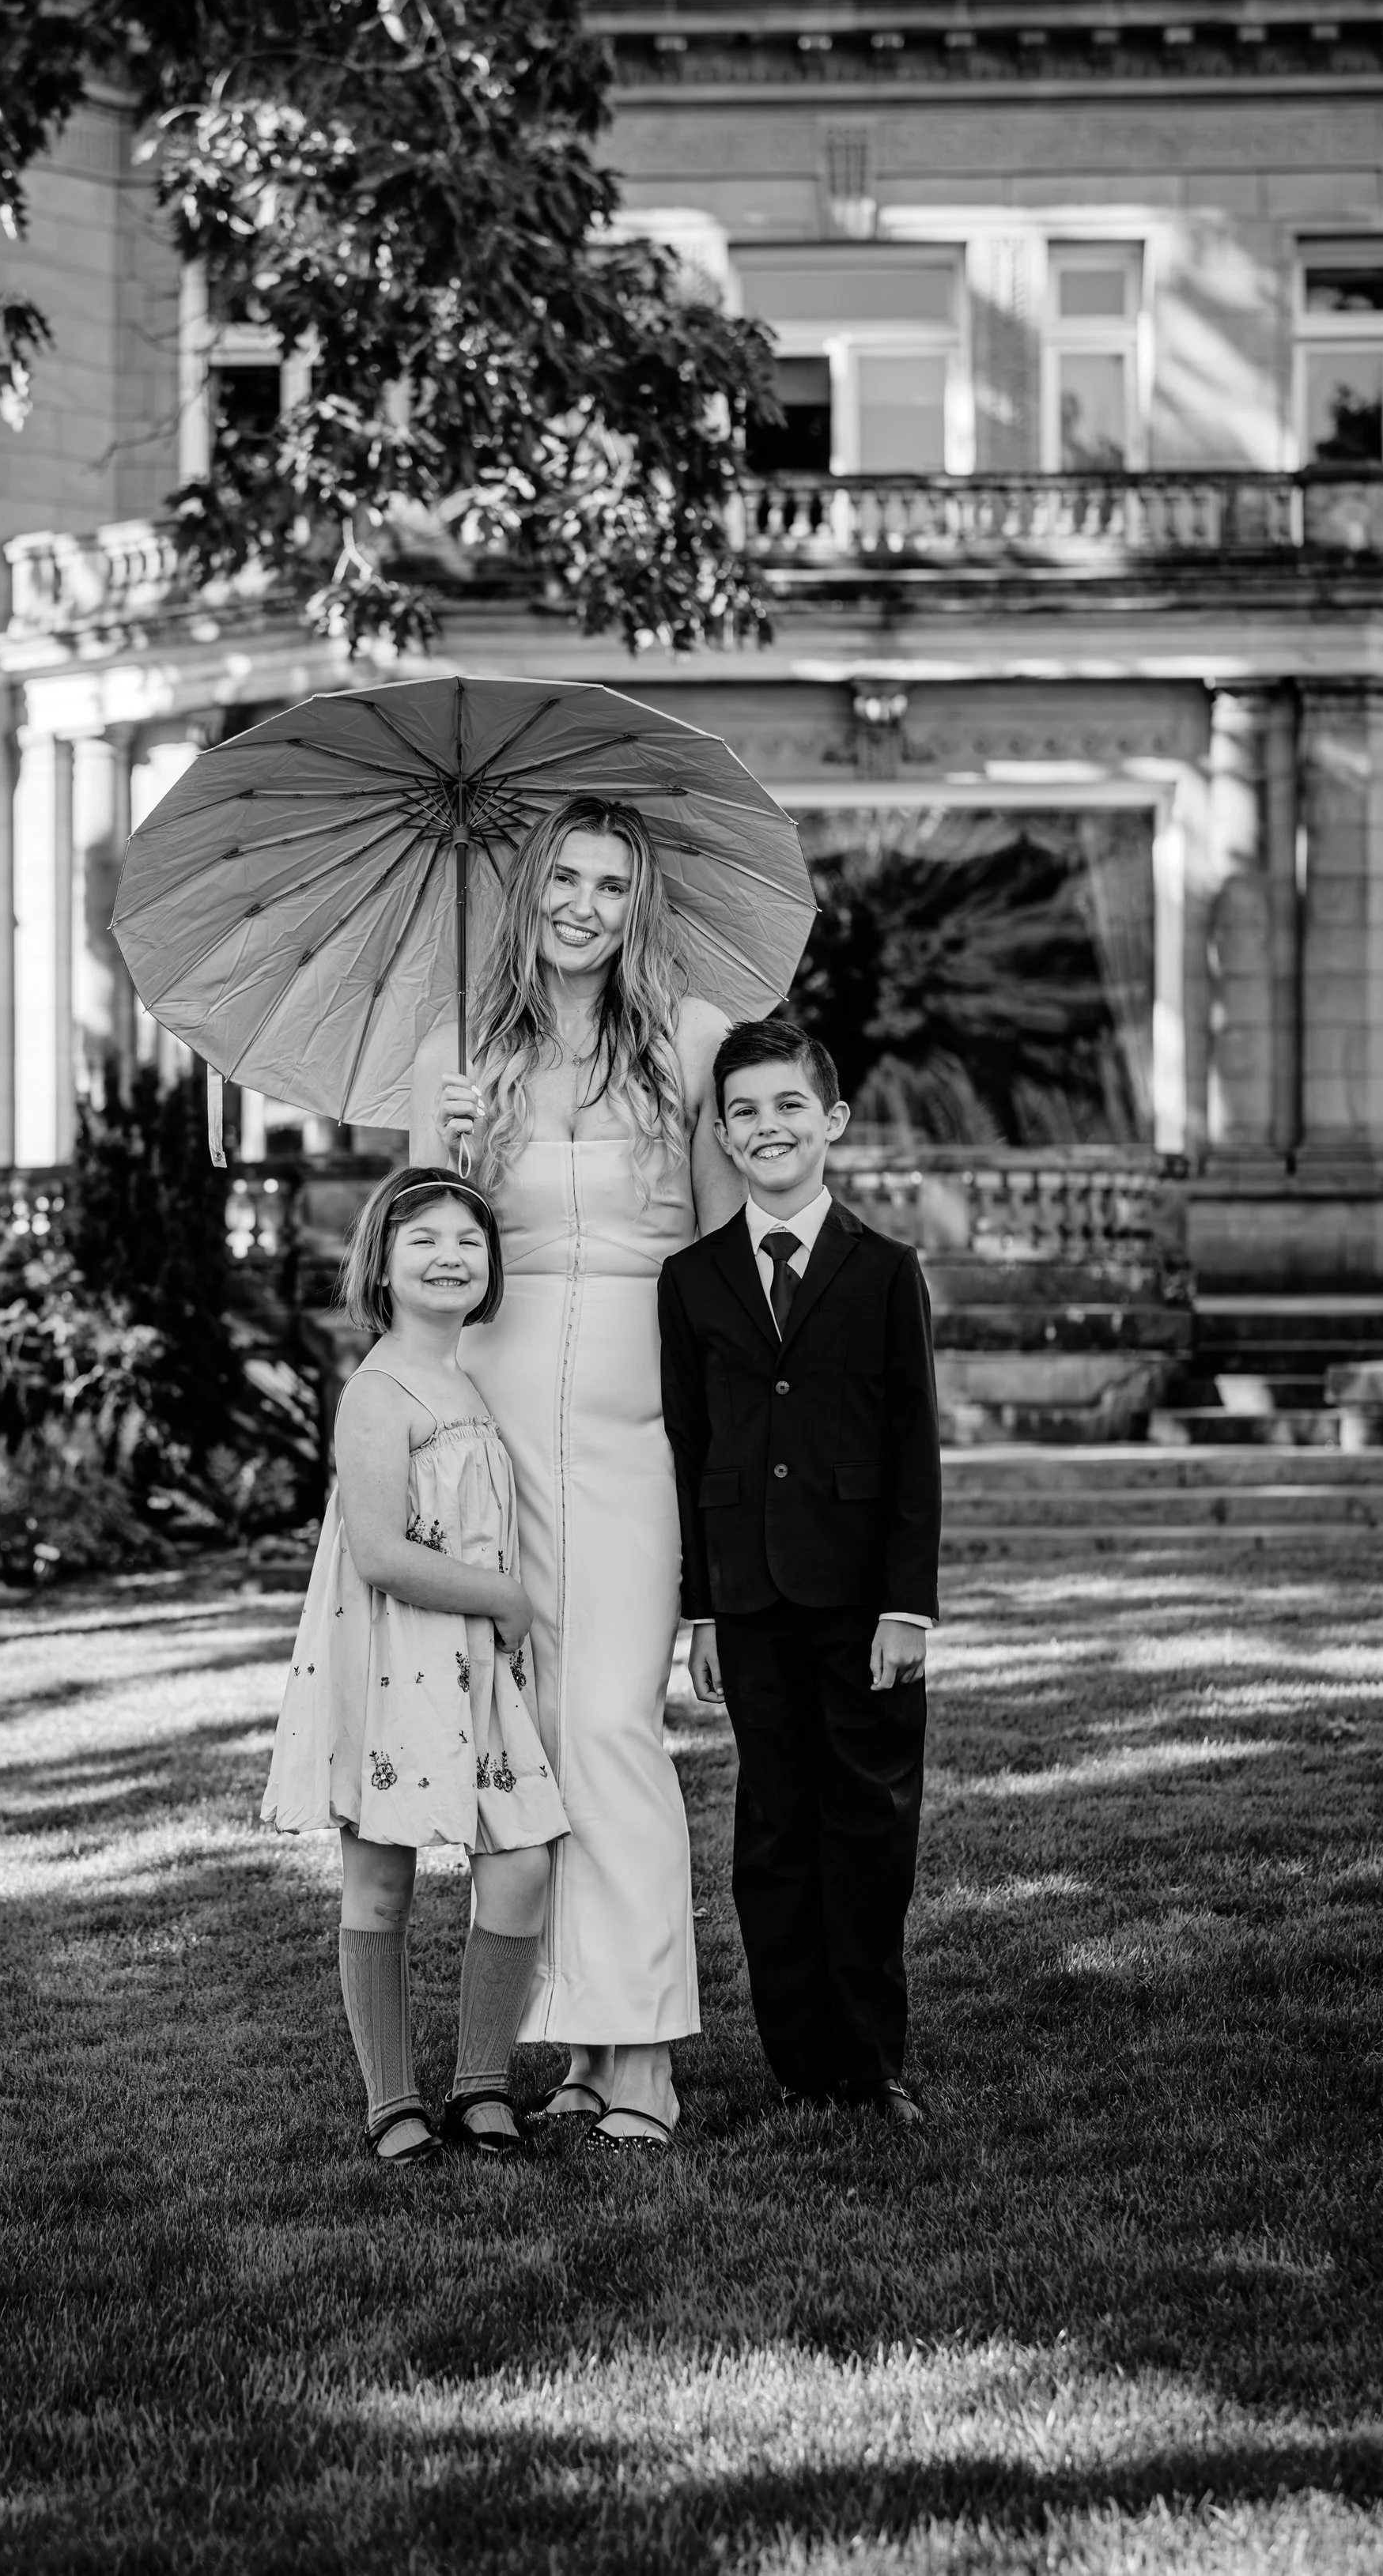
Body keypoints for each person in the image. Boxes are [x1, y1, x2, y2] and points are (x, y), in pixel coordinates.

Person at [410, 795, 741, 2147]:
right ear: (528, 891)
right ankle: (579, 2049)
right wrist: (453, 1151)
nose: (585, 907)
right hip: (495, 1421)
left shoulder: (693, 1042)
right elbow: (426, 1268)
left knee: (611, 1721)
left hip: (635, 1424)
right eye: (564, 879)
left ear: (638, 905)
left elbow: (720, 1265)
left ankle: (648, 2050)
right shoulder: (459, 1054)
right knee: (533, 1742)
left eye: (612, 886)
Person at [658, 1013, 941, 2126]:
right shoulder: (691, 1280)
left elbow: (914, 1446)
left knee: (867, 1826)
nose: (766, 1126)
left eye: (788, 1106)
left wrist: (907, 1605)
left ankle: (870, 2064)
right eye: (744, 1111)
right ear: (721, 1137)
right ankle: (799, 2064)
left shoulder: (884, 1271)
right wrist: (703, 1612)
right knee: (773, 1830)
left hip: (864, 1602)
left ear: (830, 1120)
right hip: (751, 1598)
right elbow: (691, 1447)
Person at [262, 1165, 569, 2165]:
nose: (448, 1257)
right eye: (423, 1240)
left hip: (474, 1671)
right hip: (396, 1657)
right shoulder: (378, 1392)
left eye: (468, 1241)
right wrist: (504, 1598)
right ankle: (392, 2099)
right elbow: (383, 1553)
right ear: (382, 1267)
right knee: (383, 1880)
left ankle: (481, 2084)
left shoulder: (469, 1379)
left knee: (518, 1862)